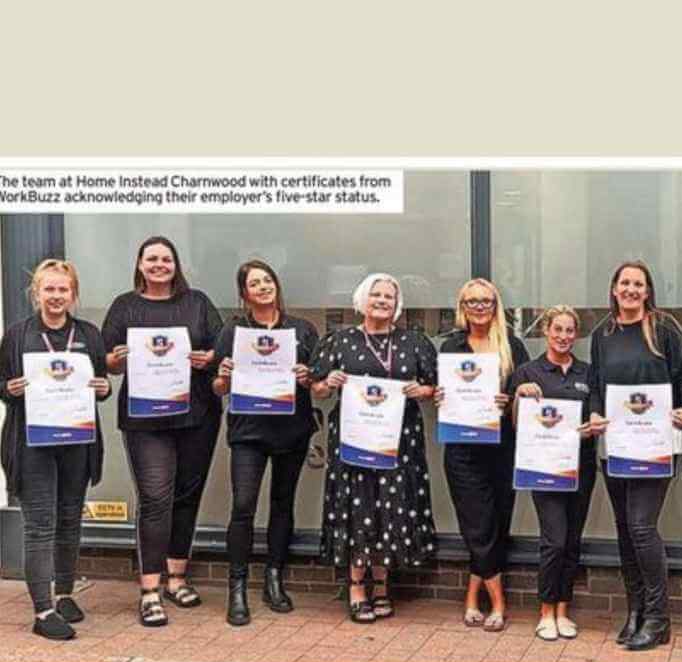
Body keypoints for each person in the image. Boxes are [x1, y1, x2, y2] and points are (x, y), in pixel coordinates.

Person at [101, 235, 222, 627]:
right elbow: (107, 361)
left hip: (196, 414)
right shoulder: (125, 306)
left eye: (165, 259)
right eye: (151, 259)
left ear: (176, 265)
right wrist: (115, 361)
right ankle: (150, 590)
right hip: (144, 420)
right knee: (155, 497)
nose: (158, 265)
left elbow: (220, 352)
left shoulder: (197, 303)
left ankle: (178, 577)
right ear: (139, 264)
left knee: (187, 495)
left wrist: (210, 359)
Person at [311, 273, 437, 621]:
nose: (382, 301)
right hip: (353, 440)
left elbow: (434, 389)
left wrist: (420, 390)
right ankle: (355, 585)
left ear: (397, 305)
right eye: (376, 295)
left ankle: (381, 585)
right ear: (362, 300)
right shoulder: (339, 340)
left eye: (389, 297)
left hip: (399, 441)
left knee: (390, 507)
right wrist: (327, 383)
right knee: (357, 503)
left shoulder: (414, 342)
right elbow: (316, 388)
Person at [588, 259, 682, 651]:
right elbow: (597, 383)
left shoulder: (664, 328)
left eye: (639, 283)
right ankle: (635, 611)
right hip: (615, 444)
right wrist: (595, 412)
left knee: (641, 526)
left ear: (647, 290)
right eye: (625, 283)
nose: (632, 290)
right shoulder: (604, 332)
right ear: (615, 289)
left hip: (655, 443)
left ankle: (658, 617)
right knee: (624, 530)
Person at [0, 259, 110, 640]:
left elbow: (101, 383)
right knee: (41, 526)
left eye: (63, 289)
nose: (56, 296)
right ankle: (42, 610)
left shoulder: (90, 334)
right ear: (37, 293)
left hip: (76, 441)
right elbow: (1, 383)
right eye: (49, 289)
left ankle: (64, 594)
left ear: (73, 294)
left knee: (69, 521)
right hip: (33, 445)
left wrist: (103, 389)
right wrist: (8, 390)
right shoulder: (16, 336)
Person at [210, 259, 318, 625]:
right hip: (249, 432)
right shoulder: (233, 331)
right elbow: (217, 387)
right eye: (254, 283)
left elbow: (315, 384)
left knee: (283, 504)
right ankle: (237, 587)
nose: (263, 287)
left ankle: (274, 578)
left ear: (276, 285)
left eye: (267, 280)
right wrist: (223, 379)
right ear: (245, 293)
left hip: (292, 429)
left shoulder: (302, 330)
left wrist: (307, 378)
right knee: (243, 506)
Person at [437, 279, 529, 631]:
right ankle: (499, 602)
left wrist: (513, 400)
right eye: (472, 301)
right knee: (476, 524)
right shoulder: (451, 347)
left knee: (497, 523)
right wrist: (441, 395)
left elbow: (525, 394)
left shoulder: (512, 346)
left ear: (495, 306)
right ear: (463, 306)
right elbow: (440, 390)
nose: (479, 307)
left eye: (486, 301)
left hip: (502, 448)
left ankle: (472, 596)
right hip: (462, 450)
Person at [508, 306, 596, 641]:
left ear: (576, 334)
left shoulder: (588, 373)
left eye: (569, 330)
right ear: (546, 331)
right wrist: (519, 396)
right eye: (556, 329)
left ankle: (563, 609)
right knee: (554, 541)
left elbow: (595, 417)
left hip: (581, 467)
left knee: (572, 541)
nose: (563, 336)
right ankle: (545, 610)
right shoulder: (528, 372)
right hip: (544, 470)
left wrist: (592, 428)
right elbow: (516, 424)